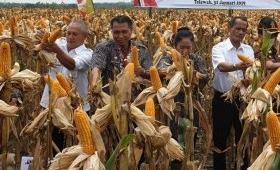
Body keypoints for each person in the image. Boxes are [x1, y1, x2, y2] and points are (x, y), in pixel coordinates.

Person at [157, 27, 208, 169]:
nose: (185, 51)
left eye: (188, 47)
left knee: (190, 138)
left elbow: (206, 75)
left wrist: (195, 74)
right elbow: (161, 72)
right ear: (175, 46)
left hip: (192, 106)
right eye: (181, 47)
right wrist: (175, 70)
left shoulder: (196, 59)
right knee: (174, 141)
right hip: (173, 108)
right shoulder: (167, 58)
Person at [39, 19, 93, 150]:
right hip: (51, 106)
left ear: (85, 37)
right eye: (68, 33)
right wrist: (42, 39)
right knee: (51, 147)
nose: (70, 37)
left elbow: (72, 64)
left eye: (75, 34)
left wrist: (55, 49)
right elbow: (41, 47)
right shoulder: (58, 43)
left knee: (73, 147)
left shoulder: (88, 54)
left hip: (75, 109)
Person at [211, 16, 254, 170]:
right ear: (229, 28)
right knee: (220, 140)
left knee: (243, 139)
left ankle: (242, 166)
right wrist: (239, 66)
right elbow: (221, 67)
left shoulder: (248, 49)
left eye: (244, 30)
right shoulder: (218, 48)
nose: (241, 32)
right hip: (223, 99)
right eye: (238, 28)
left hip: (243, 101)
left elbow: (252, 72)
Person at [89, 15, 152, 94]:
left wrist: (142, 72)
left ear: (131, 31)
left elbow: (151, 73)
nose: (120, 36)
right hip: (111, 99)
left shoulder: (142, 50)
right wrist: (95, 83)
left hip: (136, 101)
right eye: (116, 32)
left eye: (124, 32)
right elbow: (97, 67)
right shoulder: (103, 48)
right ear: (112, 32)